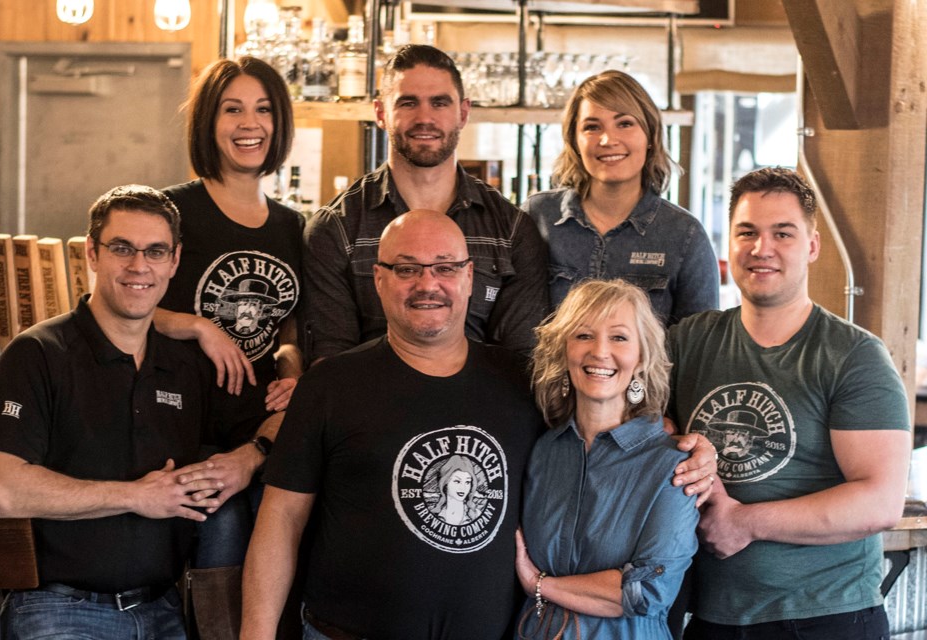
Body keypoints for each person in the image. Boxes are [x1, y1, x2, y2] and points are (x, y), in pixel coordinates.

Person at [241, 210, 717, 640]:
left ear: (469, 278)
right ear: (379, 280)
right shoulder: (330, 384)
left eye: (445, 267)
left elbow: (607, 422)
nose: (428, 283)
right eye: (407, 268)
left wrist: (691, 449)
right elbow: (279, 521)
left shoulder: (518, 382)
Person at [667, 167, 911, 640]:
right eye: (747, 233)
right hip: (712, 614)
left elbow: (880, 502)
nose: (762, 249)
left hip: (825, 616)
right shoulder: (690, 340)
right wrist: (670, 434)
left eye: (783, 233)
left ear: (812, 246)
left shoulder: (853, 355)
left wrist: (745, 523)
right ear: (729, 243)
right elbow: (635, 410)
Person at [0, 185, 224, 639]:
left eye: (155, 251)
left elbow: (240, 443)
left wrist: (255, 451)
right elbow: (2, 489)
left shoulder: (184, 366)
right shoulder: (38, 354)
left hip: (164, 611)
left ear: (175, 260)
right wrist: (135, 496)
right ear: (92, 252)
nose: (138, 266)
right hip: (57, 610)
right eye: (122, 248)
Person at [155, 56, 305, 638]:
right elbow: (129, 301)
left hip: (261, 430)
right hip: (185, 424)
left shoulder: (292, 226)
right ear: (208, 123)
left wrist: (292, 363)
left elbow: (290, 325)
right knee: (220, 525)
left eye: (264, 109)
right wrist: (197, 325)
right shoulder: (177, 210)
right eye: (233, 108)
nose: (251, 123)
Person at [302, 44, 548, 362]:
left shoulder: (512, 229)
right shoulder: (336, 228)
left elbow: (521, 362)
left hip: (482, 409)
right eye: (408, 103)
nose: (425, 118)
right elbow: (330, 363)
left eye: (439, 102)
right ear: (380, 112)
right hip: (369, 408)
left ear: (463, 112)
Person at [515, 279, 699, 639]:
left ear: (642, 357)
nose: (600, 352)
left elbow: (646, 592)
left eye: (619, 337)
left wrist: (538, 584)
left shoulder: (671, 464)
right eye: (583, 335)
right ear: (563, 349)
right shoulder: (543, 451)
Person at [523, 70, 719, 324]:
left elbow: (698, 346)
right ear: (574, 140)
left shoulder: (684, 234)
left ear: (650, 135)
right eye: (592, 127)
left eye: (625, 123)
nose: (608, 139)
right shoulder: (538, 216)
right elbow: (513, 324)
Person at [430, 454, 483, 526]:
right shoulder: (433, 516)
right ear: (445, 483)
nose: (463, 487)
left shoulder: (477, 515)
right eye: (457, 481)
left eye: (467, 482)